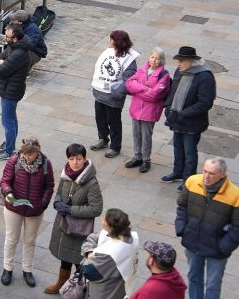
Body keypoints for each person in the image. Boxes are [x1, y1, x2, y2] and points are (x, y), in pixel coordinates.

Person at [174, 156, 239, 299]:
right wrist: (182, 228)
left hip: (217, 250)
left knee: (213, 285)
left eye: (212, 173)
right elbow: (182, 206)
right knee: (194, 277)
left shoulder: (237, 196)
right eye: (205, 171)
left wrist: (223, 247)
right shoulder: (192, 182)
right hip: (193, 242)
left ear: (223, 175)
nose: (206, 176)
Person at [45, 144, 103, 299]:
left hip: (79, 228)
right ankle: (62, 283)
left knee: (78, 261)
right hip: (64, 224)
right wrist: (57, 201)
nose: (75, 162)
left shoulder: (91, 183)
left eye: (78, 159)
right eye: (71, 159)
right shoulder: (66, 175)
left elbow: (96, 208)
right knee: (65, 256)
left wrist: (70, 210)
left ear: (85, 159)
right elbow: (60, 192)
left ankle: (77, 295)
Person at [0, 137, 54, 287]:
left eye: (31, 155)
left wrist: (43, 203)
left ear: (37, 152)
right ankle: (7, 268)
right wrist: (8, 193)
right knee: (11, 239)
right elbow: (5, 181)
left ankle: (27, 269)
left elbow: (49, 186)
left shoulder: (45, 164)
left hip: (35, 209)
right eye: (25, 154)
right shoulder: (14, 161)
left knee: (30, 241)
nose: (27, 158)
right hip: (14, 208)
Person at [161, 46, 217, 184]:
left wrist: (183, 114)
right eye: (178, 60)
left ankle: (188, 180)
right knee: (177, 148)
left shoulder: (204, 76)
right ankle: (177, 172)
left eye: (181, 61)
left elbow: (205, 103)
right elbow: (173, 91)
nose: (178, 64)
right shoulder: (180, 71)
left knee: (190, 153)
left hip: (192, 122)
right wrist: (168, 107)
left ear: (191, 61)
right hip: (177, 119)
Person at [90, 30, 139, 158]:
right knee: (100, 119)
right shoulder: (108, 51)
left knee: (114, 122)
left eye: (111, 39)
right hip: (100, 94)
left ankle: (115, 146)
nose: (109, 41)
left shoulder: (129, 59)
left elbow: (129, 80)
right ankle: (103, 139)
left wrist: (117, 93)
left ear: (117, 41)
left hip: (113, 97)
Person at [123, 47, 171, 175]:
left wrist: (137, 91)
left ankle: (146, 160)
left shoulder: (164, 75)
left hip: (150, 112)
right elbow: (128, 83)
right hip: (136, 109)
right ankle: (137, 157)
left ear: (161, 61)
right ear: (149, 57)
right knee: (136, 135)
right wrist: (145, 89)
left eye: (157, 58)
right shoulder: (142, 69)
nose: (154, 60)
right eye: (152, 57)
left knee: (146, 137)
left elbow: (154, 95)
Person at [0, 27, 30, 160]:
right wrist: (1, 62)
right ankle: (10, 144)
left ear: (15, 38)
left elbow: (2, 71)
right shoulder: (14, 47)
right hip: (9, 89)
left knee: (8, 121)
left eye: (7, 37)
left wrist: (2, 63)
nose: (5, 39)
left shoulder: (18, 53)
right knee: (11, 119)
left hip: (11, 91)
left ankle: (8, 151)